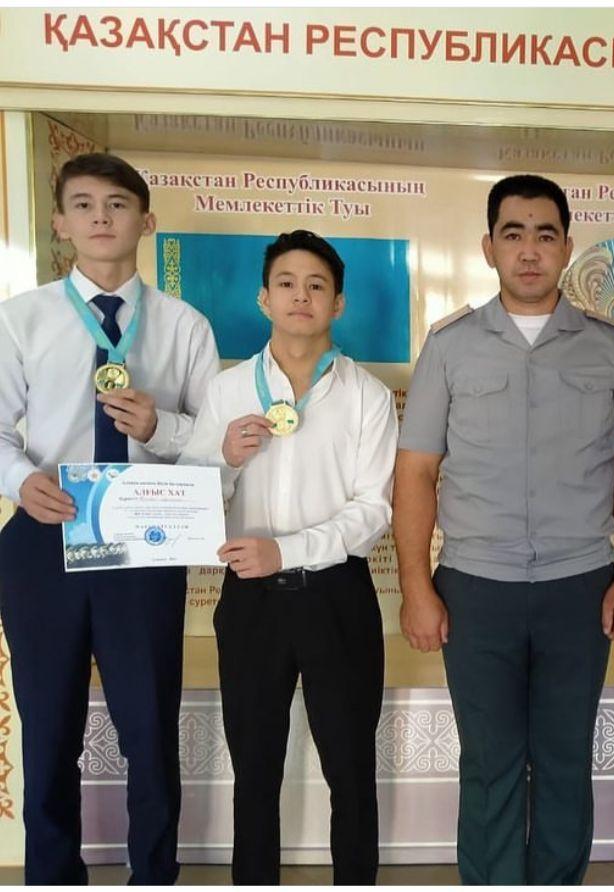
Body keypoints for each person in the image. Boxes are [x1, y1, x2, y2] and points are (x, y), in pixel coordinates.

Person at [393, 174, 614, 884]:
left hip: (581, 585)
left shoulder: (611, 349)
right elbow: (415, 473)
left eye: (545, 235)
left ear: (567, 247)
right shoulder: (450, 347)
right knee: (489, 762)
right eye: (514, 234)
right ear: (489, 248)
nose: (530, 250)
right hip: (477, 587)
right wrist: (417, 588)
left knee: (565, 759)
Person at [0, 152, 220, 883]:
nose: (101, 217)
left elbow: (214, 445)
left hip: (144, 542)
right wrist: (21, 480)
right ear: (61, 223)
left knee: (148, 729)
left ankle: (153, 875)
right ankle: (52, 876)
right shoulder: (21, 319)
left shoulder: (185, 326)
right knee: (48, 726)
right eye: (84, 205)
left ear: (146, 222)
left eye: (118, 204)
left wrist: (160, 427)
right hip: (46, 532)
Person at [179, 230, 397, 884]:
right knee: (255, 770)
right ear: (263, 298)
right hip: (251, 600)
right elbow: (191, 501)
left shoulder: (366, 395)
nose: (301, 296)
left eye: (316, 286)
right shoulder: (227, 391)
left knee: (350, 768)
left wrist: (288, 550)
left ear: (338, 303)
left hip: (338, 597)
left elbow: (373, 511)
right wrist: (223, 458)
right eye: (286, 284)